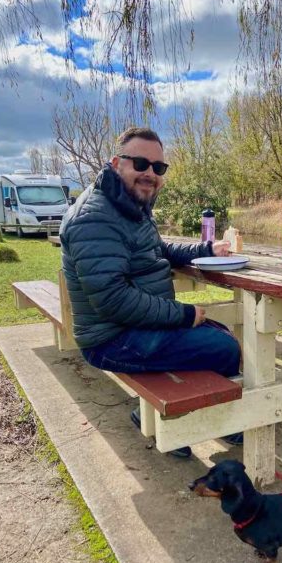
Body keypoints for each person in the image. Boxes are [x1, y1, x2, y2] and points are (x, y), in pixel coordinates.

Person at [60, 127, 242, 458]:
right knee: (224, 347)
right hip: (111, 339)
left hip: (133, 327)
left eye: (158, 168)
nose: (150, 174)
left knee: (219, 334)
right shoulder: (96, 217)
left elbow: (157, 249)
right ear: (117, 163)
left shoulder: (128, 206)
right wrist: (184, 314)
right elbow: (113, 299)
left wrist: (206, 249)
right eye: (141, 163)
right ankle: (196, 421)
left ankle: (165, 415)